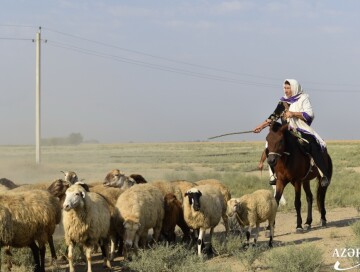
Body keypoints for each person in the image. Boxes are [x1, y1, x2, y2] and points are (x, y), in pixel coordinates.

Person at [253, 79, 330, 187]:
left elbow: (309, 114)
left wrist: (293, 113)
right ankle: (274, 175)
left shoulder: (303, 99)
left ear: (294, 88)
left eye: (288, 88)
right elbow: (274, 116)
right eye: (285, 88)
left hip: (299, 129)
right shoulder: (283, 101)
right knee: (270, 144)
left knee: (312, 144)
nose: (286, 90)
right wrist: (261, 126)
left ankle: (324, 175)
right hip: (285, 130)